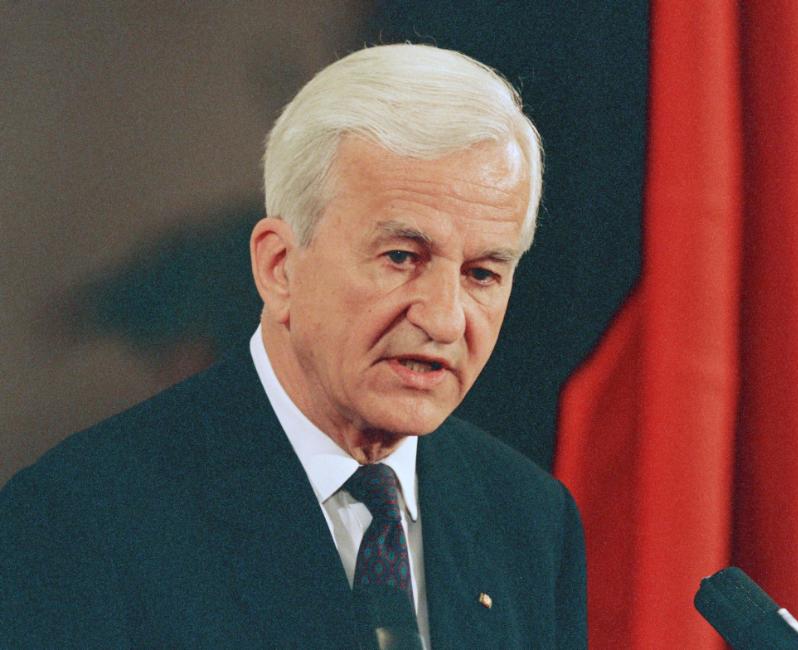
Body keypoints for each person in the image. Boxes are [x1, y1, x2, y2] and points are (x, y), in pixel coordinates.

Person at [0, 44, 587, 648]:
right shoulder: (80, 519)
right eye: (401, 257)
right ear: (280, 267)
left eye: (483, 273)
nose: (443, 319)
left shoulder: (531, 522)